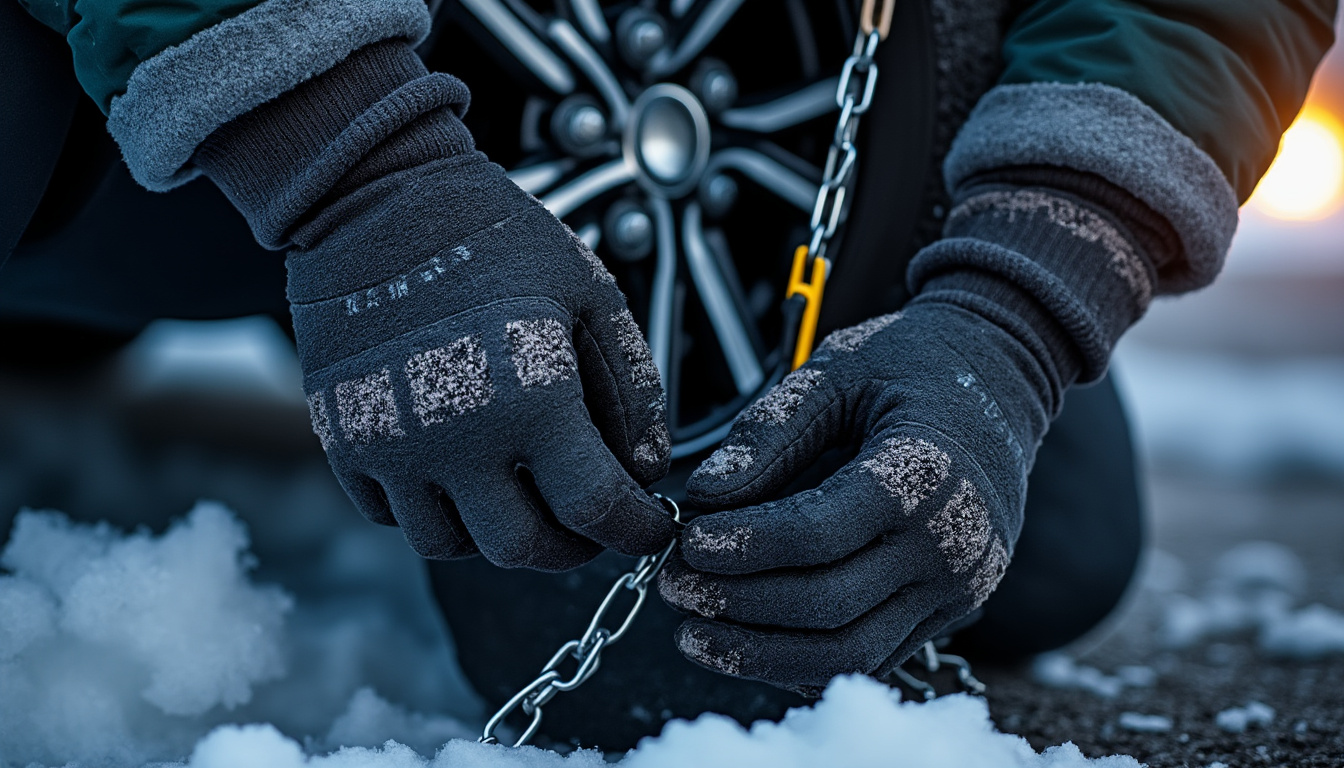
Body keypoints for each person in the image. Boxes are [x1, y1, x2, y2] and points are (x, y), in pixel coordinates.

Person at [3, 0, 1336, 751]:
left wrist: (1021, 303)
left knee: (1053, 544)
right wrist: (349, 169)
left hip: (804, 89)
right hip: (218, 65)